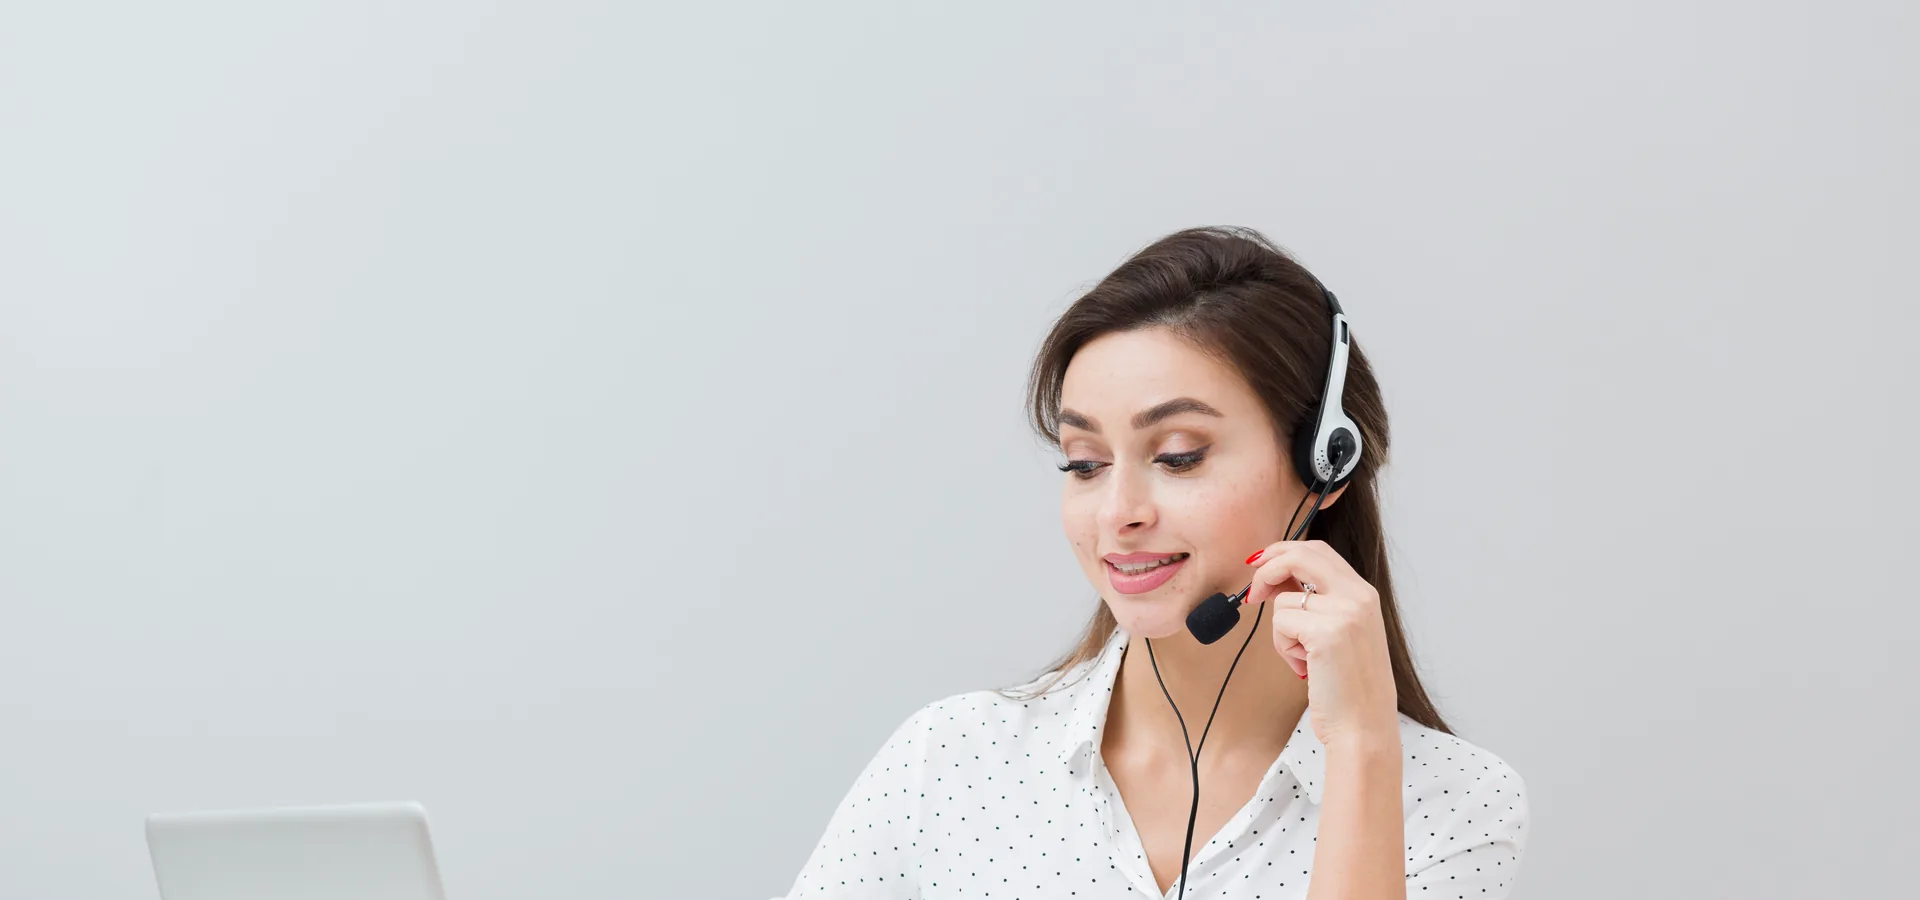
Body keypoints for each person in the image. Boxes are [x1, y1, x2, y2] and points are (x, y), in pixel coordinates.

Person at [774, 227, 1529, 899]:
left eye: (1178, 457)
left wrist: (1363, 752)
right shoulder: (948, 764)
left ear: (1323, 464)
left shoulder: (1453, 803)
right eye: (1084, 464)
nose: (1117, 513)